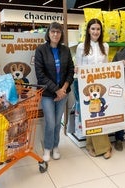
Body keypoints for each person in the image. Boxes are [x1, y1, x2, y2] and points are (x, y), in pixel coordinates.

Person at [34, 22, 74, 162]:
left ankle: (55, 147)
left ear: (61, 34)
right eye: (53, 32)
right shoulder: (40, 50)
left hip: (63, 92)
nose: (55, 34)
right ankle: (47, 148)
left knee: (57, 122)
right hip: (47, 94)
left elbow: (71, 70)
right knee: (50, 122)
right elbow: (40, 74)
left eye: (58, 32)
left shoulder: (66, 50)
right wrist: (56, 90)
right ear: (48, 33)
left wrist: (63, 89)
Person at [75, 18, 112, 159]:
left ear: (101, 31)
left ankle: (92, 145)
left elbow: (106, 65)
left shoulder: (105, 46)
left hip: (101, 86)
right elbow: (79, 68)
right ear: (88, 30)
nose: (96, 31)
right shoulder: (81, 47)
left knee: (99, 115)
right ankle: (103, 147)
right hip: (87, 87)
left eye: (98, 29)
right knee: (91, 114)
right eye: (93, 29)